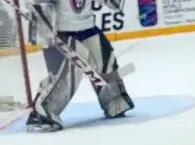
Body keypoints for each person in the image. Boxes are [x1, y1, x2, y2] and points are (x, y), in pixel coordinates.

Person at [25, 0, 134, 132]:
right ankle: (42, 113)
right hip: (61, 33)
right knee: (67, 75)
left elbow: (115, 5)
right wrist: (45, 29)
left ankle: (114, 101)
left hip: (88, 28)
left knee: (105, 62)